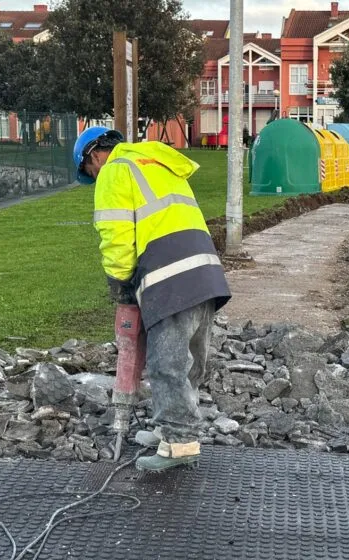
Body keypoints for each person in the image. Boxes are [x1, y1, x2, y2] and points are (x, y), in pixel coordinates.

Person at [73, 127, 231, 472]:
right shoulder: (157, 164)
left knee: (165, 363)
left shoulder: (115, 170)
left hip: (169, 274)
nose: (94, 177)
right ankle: (169, 427)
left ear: (94, 155)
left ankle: (179, 443)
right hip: (204, 271)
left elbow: (116, 235)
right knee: (189, 359)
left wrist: (119, 281)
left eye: (89, 172)